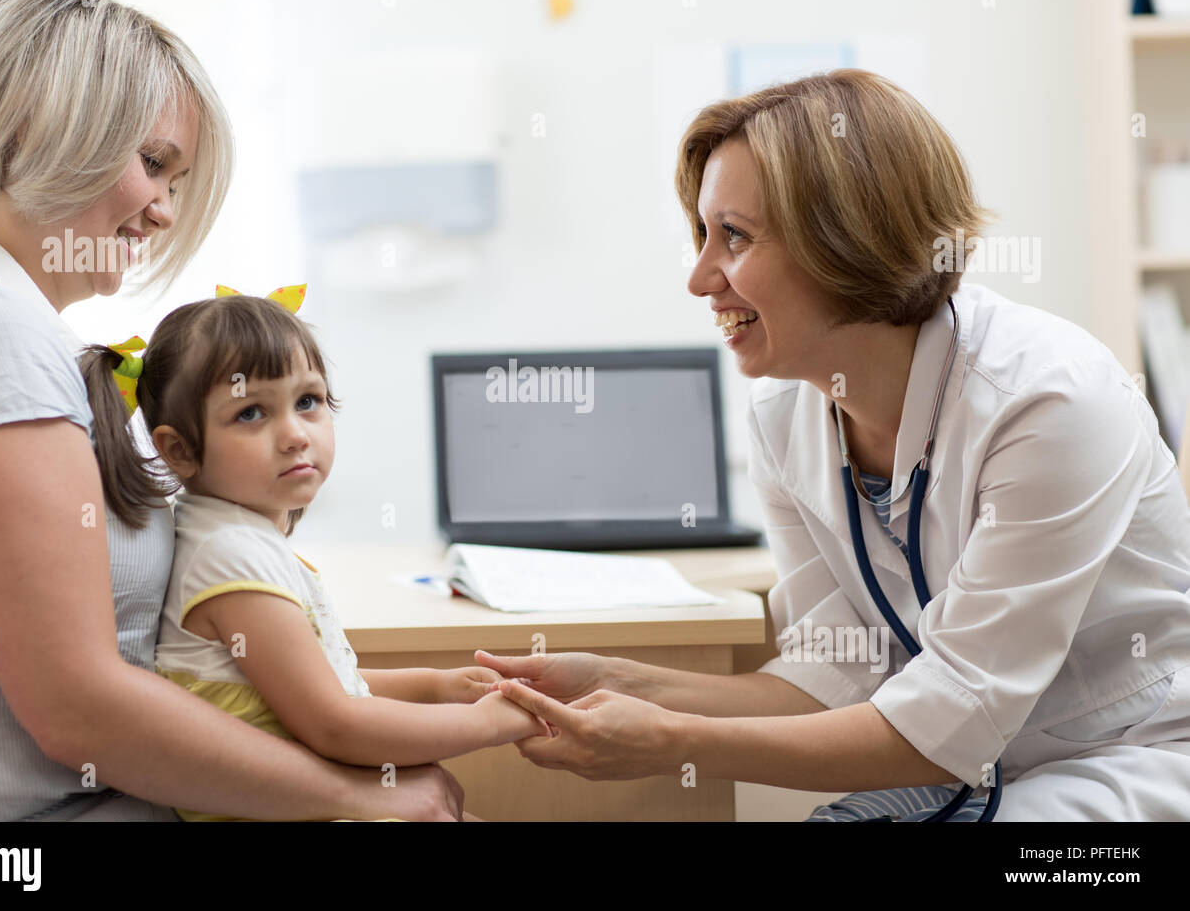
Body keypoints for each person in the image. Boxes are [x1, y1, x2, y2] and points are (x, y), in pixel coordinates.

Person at [480, 69, 1190, 821]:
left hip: (1130, 764)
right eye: (702, 236)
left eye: (735, 237)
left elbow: (954, 715)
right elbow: (837, 673)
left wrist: (672, 739)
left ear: (848, 237)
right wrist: (625, 685)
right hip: (981, 763)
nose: (698, 279)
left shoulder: (1049, 400)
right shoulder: (785, 413)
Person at [0, 0, 465, 821]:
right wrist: (356, 798)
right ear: (33, 130)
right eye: (153, 164)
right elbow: (76, 703)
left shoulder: (1, 327)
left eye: (177, 178)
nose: (164, 213)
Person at [78, 288, 549, 821]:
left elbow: (315, 685)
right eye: (251, 412)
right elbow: (334, 724)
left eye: (308, 402)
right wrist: (494, 723)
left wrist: (436, 686)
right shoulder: (227, 556)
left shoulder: (236, 537)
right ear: (179, 449)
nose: (295, 435)